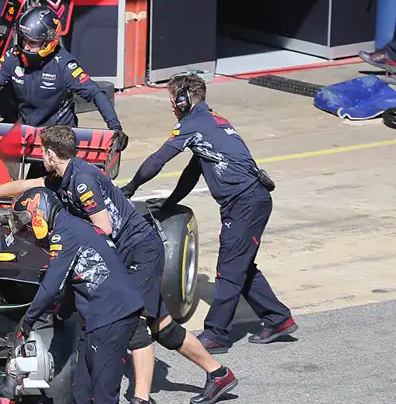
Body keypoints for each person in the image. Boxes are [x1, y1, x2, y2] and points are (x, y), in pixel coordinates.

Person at [0, 124, 237, 404]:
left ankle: (142, 402)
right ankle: (219, 373)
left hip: (139, 251)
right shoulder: (63, 174)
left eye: (41, 152)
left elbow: (104, 228)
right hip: (129, 251)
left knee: (134, 322)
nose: (40, 157)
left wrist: (73, 246)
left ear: (49, 153)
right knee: (161, 324)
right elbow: (30, 186)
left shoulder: (82, 181)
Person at [120, 73, 298, 353]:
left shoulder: (193, 124)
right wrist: (170, 203)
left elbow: (157, 160)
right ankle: (278, 318)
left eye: (172, 100)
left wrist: (130, 187)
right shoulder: (211, 120)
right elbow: (193, 172)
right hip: (251, 200)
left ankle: (216, 334)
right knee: (241, 265)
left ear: (183, 99)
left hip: (245, 203)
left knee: (228, 270)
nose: (171, 106)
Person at [10, 187, 142, 404]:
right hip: (93, 317)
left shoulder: (64, 234)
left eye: (27, 223)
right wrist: (63, 312)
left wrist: (27, 321)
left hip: (113, 317)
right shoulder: (68, 229)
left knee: (103, 399)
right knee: (82, 395)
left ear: (40, 214)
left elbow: (51, 284)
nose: (28, 232)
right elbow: (72, 281)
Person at [0, 6, 129, 156]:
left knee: (44, 186)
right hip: (25, 130)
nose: (26, 47)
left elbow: (96, 93)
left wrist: (115, 127)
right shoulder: (12, 57)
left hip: (58, 135)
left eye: (32, 42)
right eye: (24, 40)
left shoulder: (64, 66)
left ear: (48, 43)